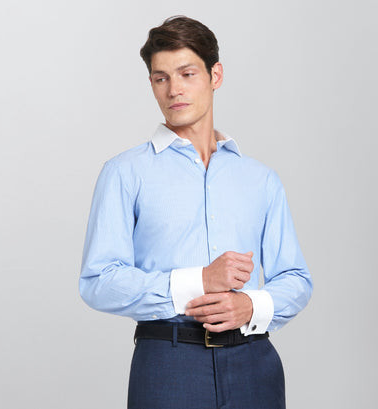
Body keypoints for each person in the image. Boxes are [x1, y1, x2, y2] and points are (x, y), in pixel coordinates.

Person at [79, 16, 312, 408]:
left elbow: (295, 278)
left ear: (214, 75)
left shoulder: (261, 179)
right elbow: (98, 281)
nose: (174, 90)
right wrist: (199, 281)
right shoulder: (124, 173)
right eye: (161, 78)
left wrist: (251, 306)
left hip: (254, 363)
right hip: (169, 364)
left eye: (187, 74)